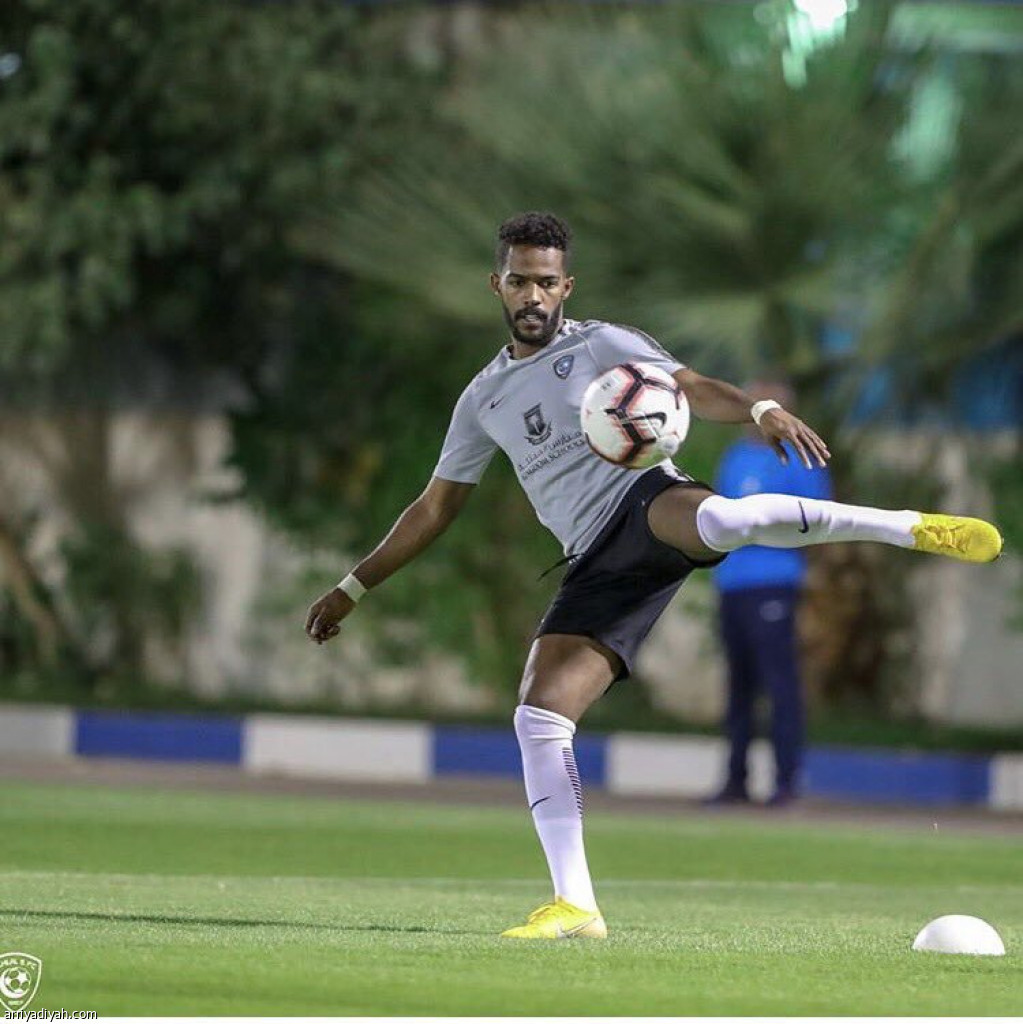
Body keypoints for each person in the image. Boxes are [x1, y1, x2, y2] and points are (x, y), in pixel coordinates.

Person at [304, 211, 1002, 941]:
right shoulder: (482, 398)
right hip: (591, 557)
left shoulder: (603, 344)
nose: (533, 295)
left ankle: (906, 526)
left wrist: (760, 407)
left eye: (546, 282)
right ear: (497, 284)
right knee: (539, 718)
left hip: (646, 501)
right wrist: (353, 587)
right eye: (519, 281)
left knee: (724, 519)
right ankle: (576, 906)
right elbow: (435, 507)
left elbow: (690, 385)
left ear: (566, 286)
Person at [705, 381, 831, 809]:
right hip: (732, 583)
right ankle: (735, 780)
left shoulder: (802, 457)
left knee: (779, 685)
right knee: (738, 687)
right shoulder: (735, 456)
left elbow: (816, 520)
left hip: (775, 582)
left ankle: (787, 781)